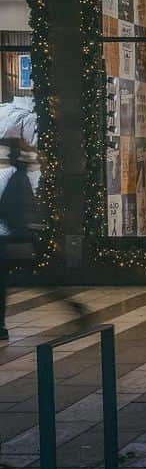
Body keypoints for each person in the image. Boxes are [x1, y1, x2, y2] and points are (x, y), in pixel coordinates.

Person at [0, 138, 39, 343]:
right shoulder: (21, 179)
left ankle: (0, 326)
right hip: (22, 238)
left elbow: (6, 208)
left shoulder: (17, 179)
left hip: (16, 239)